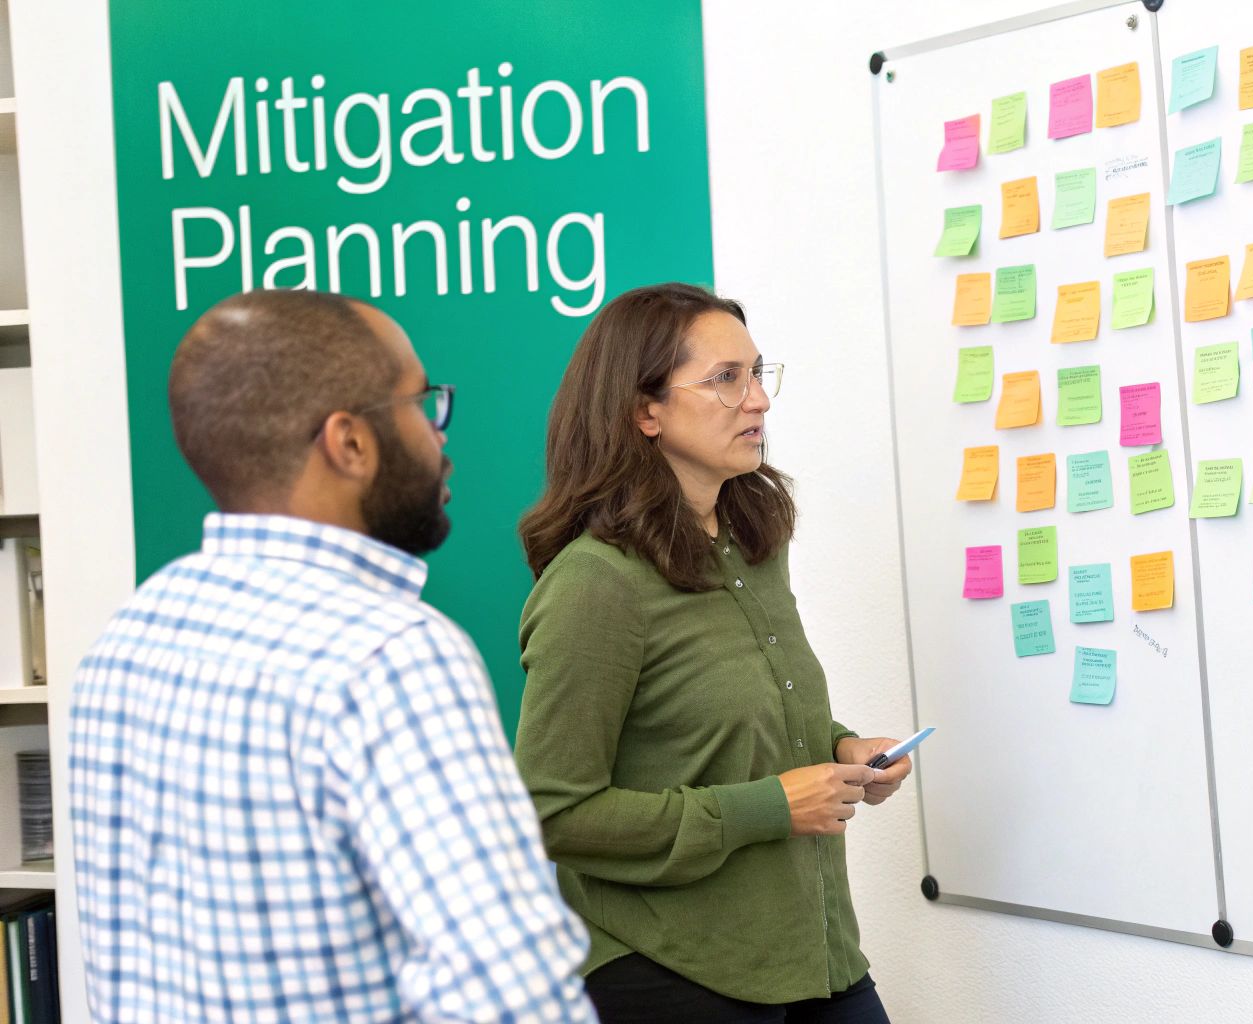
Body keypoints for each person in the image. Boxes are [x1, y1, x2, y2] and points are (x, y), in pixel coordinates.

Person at [68, 291, 597, 1023]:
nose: (441, 435)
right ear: (347, 442)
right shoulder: (390, 658)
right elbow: (512, 996)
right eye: (422, 404)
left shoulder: (124, 645)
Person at [514, 283, 909, 1023]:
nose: (758, 400)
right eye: (726, 379)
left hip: (812, 952)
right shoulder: (595, 585)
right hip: (672, 967)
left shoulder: (754, 542)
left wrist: (841, 749)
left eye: (758, 374)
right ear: (645, 411)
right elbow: (552, 811)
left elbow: (728, 727)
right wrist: (769, 808)